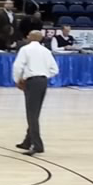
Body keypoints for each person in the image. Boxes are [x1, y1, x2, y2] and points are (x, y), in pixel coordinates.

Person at [13, 26, 59, 155]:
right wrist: (43, 74)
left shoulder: (25, 49)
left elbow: (18, 66)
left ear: (31, 37)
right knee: (35, 112)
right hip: (43, 81)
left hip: (31, 82)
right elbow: (55, 70)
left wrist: (17, 79)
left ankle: (37, 145)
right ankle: (27, 141)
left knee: (31, 114)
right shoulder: (46, 51)